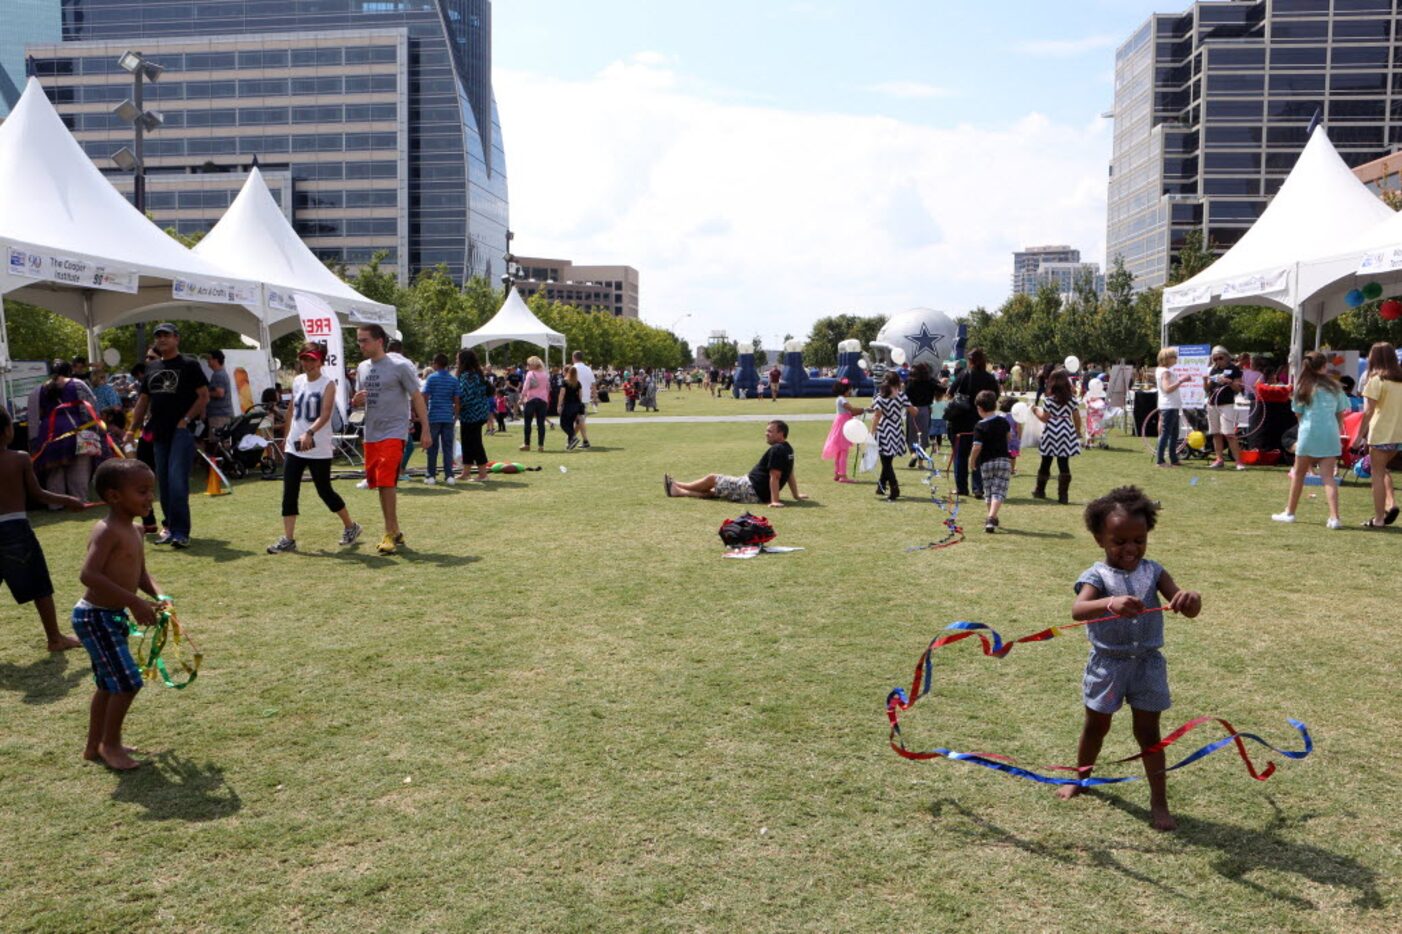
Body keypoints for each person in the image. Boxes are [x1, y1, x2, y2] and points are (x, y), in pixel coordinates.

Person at [1057, 486, 1202, 832]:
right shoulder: (1096, 576)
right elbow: (1078, 610)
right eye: (1119, 541)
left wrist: (1190, 598)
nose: (1131, 548)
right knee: (1096, 726)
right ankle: (1081, 777)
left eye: (1139, 540)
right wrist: (1110, 603)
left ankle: (1159, 802)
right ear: (1099, 539)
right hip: (1108, 666)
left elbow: (1189, 608)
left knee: (1149, 734)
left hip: (1148, 665)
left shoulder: (1154, 572)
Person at [73, 458, 165, 771]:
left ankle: (94, 745)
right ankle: (109, 745)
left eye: (151, 490)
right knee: (127, 682)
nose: (149, 497)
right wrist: (134, 603)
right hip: (94, 617)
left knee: (107, 684)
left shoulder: (137, 531)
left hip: (111, 617)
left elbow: (141, 575)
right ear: (114, 496)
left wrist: (158, 596)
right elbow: (89, 575)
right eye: (141, 491)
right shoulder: (107, 530)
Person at [0, 409, 87, 651]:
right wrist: (70, 500)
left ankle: (56, 639)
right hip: (15, 529)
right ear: (8, 431)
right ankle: (55, 638)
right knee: (40, 586)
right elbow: (38, 494)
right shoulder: (19, 458)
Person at [267, 344, 363, 554]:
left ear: (321, 361)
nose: (308, 363)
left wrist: (309, 433)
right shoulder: (299, 381)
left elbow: (326, 413)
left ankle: (350, 526)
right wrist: (286, 436)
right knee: (289, 491)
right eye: (304, 359)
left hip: (318, 446)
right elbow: (292, 409)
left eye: (312, 359)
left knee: (325, 491)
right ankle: (288, 539)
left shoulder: (327, 384)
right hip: (295, 445)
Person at [122, 323, 209, 549]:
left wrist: (187, 419)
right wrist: (132, 429)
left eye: (166, 336)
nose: (162, 340)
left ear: (176, 339)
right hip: (158, 431)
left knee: (177, 480)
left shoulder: (189, 365)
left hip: (181, 431)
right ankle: (170, 527)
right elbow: (143, 401)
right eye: (158, 336)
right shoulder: (151, 367)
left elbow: (203, 396)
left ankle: (181, 532)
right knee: (164, 482)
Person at [352, 325, 430, 556]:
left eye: (364, 341)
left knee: (387, 479)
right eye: (359, 341)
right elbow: (360, 401)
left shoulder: (400, 366)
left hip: (394, 431)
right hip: (372, 432)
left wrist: (425, 428)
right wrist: (356, 401)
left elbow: (416, 396)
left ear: (379, 341)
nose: (360, 345)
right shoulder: (362, 368)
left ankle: (388, 533)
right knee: (379, 483)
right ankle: (395, 530)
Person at [1271, 352, 1348, 529]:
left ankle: (1290, 512)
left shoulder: (1302, 387)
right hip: (1330, 434)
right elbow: (1340, 413)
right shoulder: (1335, 387)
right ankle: (1335, 517)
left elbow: (1298, 414)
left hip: (1308, 433)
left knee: (1298, 474)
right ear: (1324, 366)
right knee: (1328, 477)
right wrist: (1335, 429)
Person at [664, 420, 807, 507]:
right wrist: (796, 495)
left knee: (712, 479)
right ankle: (678, 491)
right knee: (715, 492)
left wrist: (774, 501)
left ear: (781, 434)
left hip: (751, 489)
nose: (766, 433)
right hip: (753, 489)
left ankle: (679, 485)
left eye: (770, 431)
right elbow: (790, 474)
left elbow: (775, 477)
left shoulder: (777, 450)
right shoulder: (788, 449)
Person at [32, 360, 102, 506]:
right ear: (69, 371)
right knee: (79, 467)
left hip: (49, 431)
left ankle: (56, 504)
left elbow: (37, 413)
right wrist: (93, 428)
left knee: (54, 469)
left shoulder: (40, 389)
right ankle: (79, 500)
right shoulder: (77, 384)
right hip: (76, 428)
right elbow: (91, 406)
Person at [1356, 341, 1402, 529]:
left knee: (1377, 475)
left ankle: (1379, 519)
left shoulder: (1376, 381)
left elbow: (1368, 412)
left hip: (1381, 433)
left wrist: (1359, 435)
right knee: (1382, 472)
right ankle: (1387, 508)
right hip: (1399, 436)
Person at [949, 349, 1001, 497]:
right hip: (983, 420)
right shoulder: (989, 378)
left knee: (961, 455)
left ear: (970, 361)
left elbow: (951, 392)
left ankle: (962, 487)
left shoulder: (964, 374)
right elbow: (995, 396)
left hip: (961, 421)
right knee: (979, 455)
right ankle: (978, 488)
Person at [1032, 367, 1082, 504]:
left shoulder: (1048, 400)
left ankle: (1040, 490)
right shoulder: (1071, 400)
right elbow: (1077, 417)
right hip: (1066, 430)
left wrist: (1035, 410)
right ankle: (1063, 496)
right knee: (1063, 463)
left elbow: (1045, 418)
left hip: (1051, 432)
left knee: (1046, 461)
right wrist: (1078, 431)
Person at [870, 371, 916, 501]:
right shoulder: (901, 396)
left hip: (884, 429)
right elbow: (913, 411)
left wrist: (871, 432)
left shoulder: (880, 397)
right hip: (896, 429)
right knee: (888, 460)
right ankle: (881, 485)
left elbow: (877, 416)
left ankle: (894, 486)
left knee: (885, 461)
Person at [971, 391, 1012, 533]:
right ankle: (991, 517)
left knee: (988, 491)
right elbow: (1009, 437)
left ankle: (991, 517)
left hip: (986, 462)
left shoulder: (979, 426)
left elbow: (977, 447)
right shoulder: (1003, 421)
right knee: (999, 490)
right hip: (1003, 460)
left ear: (980, 409)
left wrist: (972, 461)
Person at [421, 353, 461, 485]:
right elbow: (457, 401)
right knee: (448, 447)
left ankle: (431, 475)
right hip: (448, 417)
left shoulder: (431, 378)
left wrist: (424, 413)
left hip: (433, 417)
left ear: (436, 364)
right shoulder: (453, 380)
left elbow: (425, 397)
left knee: (432, 447)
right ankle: (449, 475)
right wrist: (455, 416)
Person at [1203, 346, 1245, 470]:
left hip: (1226, 404)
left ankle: (1239, 462)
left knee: (1229, 433)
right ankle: (1219, 459)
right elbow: (1207, 389)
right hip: (1212, 403)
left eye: (1220, 358)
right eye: (1214, 358)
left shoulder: (1233, 369)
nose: (1217, 361)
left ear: (1226, 357)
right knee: (1216, 433)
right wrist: (1205, 381)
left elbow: (1238, 389)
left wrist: (1228, 382)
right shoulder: (1213, 370)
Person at [456, 349, 492, 482]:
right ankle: (466, 472)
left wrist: (456, 407)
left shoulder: (467, 376)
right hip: (479, 413)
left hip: (471, 414)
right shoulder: (477, 374)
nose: (456, 361)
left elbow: (465, 396)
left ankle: (482, 474)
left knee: (474, 443)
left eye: (458, 359)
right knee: (468, 442)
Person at [821, 377, 866, 483]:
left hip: (841, 423)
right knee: (843, 451)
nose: (850, 391)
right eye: (849, 389)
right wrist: (864, 409)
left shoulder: (839, 399)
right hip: (843, 426)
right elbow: (852, 410)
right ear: (845, 389)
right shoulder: (843, 400)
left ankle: (837, 473)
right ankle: (843, 475)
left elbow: (851, 412)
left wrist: (863, 410)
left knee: (839, 451)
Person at [1154, 348, 1185, 467]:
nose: (1176, 359)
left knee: (1173, 433)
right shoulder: (1165, 372)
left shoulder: (1161, 370)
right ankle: (1160, 460)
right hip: (1169, 405)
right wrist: (1181, 381)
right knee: (1167, 433)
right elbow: (1167, 389)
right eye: (1174, 357)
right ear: (1167, 359)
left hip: (1169, 405)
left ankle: (1173, 459)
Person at [905, 362, 937, 466]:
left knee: (911, 435)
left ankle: (913, 455)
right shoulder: (930, 382)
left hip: (912, 410)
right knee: (923, 437)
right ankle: (921, 463)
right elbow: (941, 389)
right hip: (925, 410)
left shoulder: (910, 382)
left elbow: (905, 396)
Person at [517, 356, 550, 452]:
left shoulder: (530, 374)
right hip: (543, 400)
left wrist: (521, 398)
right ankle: (541, 445)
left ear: (532, 365)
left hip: (531, 400)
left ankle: (527, 444)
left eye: (528, 364)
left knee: (527, 423)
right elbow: (548, 388)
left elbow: (525, 387)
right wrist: (546, 399)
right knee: (541, 424)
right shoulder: (545, 374)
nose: (527, 366)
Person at [204, 349, 235, 449]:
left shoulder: (218, 375)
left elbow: (220, 393)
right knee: (223, 441)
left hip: (218, 415)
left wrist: (205, 393)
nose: (208, 362)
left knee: (218, 442)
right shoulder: (221, 374)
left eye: (209, 359)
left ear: (215, 360)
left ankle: (218, 463)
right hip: (223, 414)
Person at [559, 365, 587, 451]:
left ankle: (573, 437)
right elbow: (580, 396)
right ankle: (570, 444)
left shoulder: (565, 382)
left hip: (568, 405)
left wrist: (559, 405)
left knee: (563, 424)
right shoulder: (578, 383)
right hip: (576, 406)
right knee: (570, 424)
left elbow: (562, 394)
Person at [571, 351, 596, 447]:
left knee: (579, 421)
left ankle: (573, 439)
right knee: (580, 420)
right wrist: (594, 397)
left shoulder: (573, 369)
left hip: (575, 398)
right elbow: (593, 384)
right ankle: (580, 440)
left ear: (574, 357)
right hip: (585, 398)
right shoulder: (588, 369)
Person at [998, 395, 1021, 475]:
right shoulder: (1016, 416)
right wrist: (1019, 438)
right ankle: (1012, 470)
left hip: (1002, 439)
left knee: (1003, 454)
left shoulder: (1001, 416)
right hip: (1013, 439)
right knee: (1013, 456)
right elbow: (1018, 428)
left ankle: (1003, 469)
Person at [928, 383, 948, 455]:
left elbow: (930, 412)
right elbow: (946, 411)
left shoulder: (932, 404)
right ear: (942, 396)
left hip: (933, 420)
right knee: (939, 435)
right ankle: (938, 449)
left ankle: (934, 447)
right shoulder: (944, 403)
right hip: (942, 420)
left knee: (931, 435)